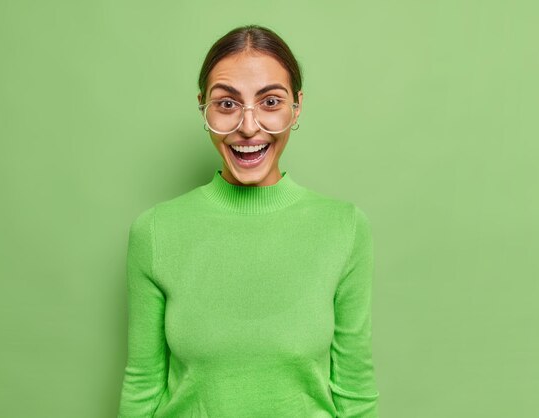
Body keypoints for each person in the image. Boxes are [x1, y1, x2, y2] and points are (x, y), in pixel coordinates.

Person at [117, 24, 380, 418]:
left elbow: (355, 392)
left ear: (297, 107)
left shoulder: (344, 227)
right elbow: (143, 386)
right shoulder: (155, 231)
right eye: (227, 104)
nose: (249, 126)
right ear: (203, 106)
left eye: (271, 102)